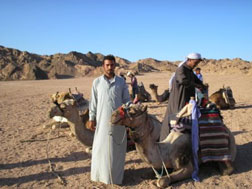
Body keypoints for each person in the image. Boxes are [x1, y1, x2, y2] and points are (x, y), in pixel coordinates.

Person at [88, 55, 131, 185]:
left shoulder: (121, 82)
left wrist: (126, 114)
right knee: (100, 148)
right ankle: (99, 176)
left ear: (115, 66)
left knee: (115, 150)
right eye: (107, 65)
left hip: (118, 123)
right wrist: (91, 118)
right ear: (103, 66)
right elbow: (93, 102)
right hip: (101, 122)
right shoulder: (97, 82)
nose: (110, 67)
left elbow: (127, 101)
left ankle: (115, 178)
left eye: (112, 65)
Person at [160, 53, 207, 141]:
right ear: (189, 60)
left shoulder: (189, 71)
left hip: (187, 98)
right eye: (195, 62)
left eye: (197, 63)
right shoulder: (181, 69)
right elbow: (183, 80)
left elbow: (197, 80)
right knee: (175, 118)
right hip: (178, 99)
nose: (196, 65)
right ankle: (167, 141)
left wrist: (202, 86)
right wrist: (196, 85)